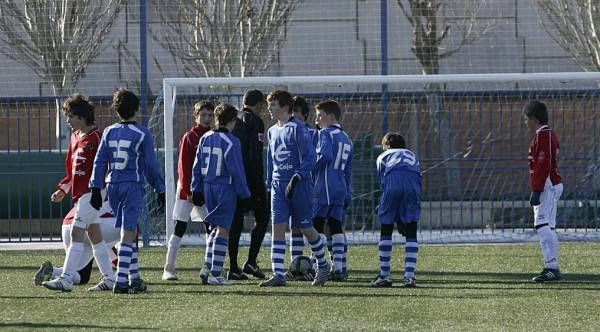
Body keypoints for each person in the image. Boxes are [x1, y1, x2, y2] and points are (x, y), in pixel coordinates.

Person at [89, 88, 165, 294]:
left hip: (112, 184)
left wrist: (95, 187)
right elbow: (151, 164)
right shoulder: (142, 132)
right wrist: (160, 189)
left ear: (116, 110)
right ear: (137, 109)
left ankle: (135, 278)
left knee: (128, 231)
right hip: (132, 184)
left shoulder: (109, 131)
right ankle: (121, 282)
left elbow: (99, 161)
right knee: (128, 232)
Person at [41, 94, 116, 292]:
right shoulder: (75, 138)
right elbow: (71, 170)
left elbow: (106, 166)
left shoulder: (97, 137)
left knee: (76, 232)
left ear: (82, 116)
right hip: (80, 195)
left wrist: (102, 190)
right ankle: (109, 278)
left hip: (93, 193)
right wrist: (63, 189)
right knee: (95, 236)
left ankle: (65, 279)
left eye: (71, 116)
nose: (68, 120)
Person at [260, 89, 330, 287]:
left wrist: (297, 176)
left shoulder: (297, 128)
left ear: (285, 107)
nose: (270, 109)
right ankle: (278, 273)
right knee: (277, 227)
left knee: (306, 227)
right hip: (277, 184)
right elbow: (270, 160)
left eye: (273, 105)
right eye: (269, 105)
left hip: (299, 184)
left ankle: (323, 265)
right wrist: (269, 184)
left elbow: (310, 157)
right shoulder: (272, 131)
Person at [191, 103, 251, 286]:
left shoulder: (205, 137)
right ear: (232, 121)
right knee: (224, 229)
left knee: (214, 229)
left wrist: (196, 188)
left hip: (208, 186)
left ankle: (207, 267)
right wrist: (245, 194)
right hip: (225, 188)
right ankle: (216, 274)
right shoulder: (232, 142)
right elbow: (237, 171)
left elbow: (197, 165)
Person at [162, 101, 214, 281]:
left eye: (210, 115)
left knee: (212, 228)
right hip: (188, 191)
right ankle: (168, 268)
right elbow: (183, 166)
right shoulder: (190, 137)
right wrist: (187, 189)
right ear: (196, 116)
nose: (207, 118)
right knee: (180, 226)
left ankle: (210, 266)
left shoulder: (213, 136)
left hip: (205, 190)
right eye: (204, 114)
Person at [227, 90, 269, 280]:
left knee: (235, 223)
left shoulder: (233, 119)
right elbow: (255, 154)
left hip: (233, 179)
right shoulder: (255, 121)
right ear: (259, 104)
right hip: (251, 179)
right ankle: (250, 261)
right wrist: (257, 182)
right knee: (262, 217)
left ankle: (233, 267)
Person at [371, 132, 421, 288]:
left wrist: (387, 208)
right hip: (413, 188)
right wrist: (402, 219)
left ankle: (384, 275)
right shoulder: (412, 155)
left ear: (386, 146)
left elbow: (384, 182)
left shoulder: (383, 156)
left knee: (386, 228)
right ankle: (409, 277)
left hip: (392, 185)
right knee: (411, 230)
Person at [35, 201, 120, 288]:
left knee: (79, 274)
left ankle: (52, 271)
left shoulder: (87, 194)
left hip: (67, 226)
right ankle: (123, 276)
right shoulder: (112, 192)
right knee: (128, 232)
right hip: (91, 225)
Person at [313, 100, 352, 281]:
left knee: (317, 222)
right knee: (336, 224)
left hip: (325, 185)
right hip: (341, 186)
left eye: (320, 115)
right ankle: (338, 267)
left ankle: (318, 265)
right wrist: (348, 192)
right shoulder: (346, 137)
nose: (317, 119)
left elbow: (325, 155)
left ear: (330, 116)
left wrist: (309, 167)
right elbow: (349, 170)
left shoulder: (325, 133)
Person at [524, 100, 563, 283]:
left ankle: (551, 266)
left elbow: (543, 163)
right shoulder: (546, 135)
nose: (526, 122)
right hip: (549, 185)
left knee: (541, 226)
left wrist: (537, 189)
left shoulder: (544, 136)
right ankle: (552, 267)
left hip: (547, 186)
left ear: (535, 119)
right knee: (549, 226)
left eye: (527, 119)